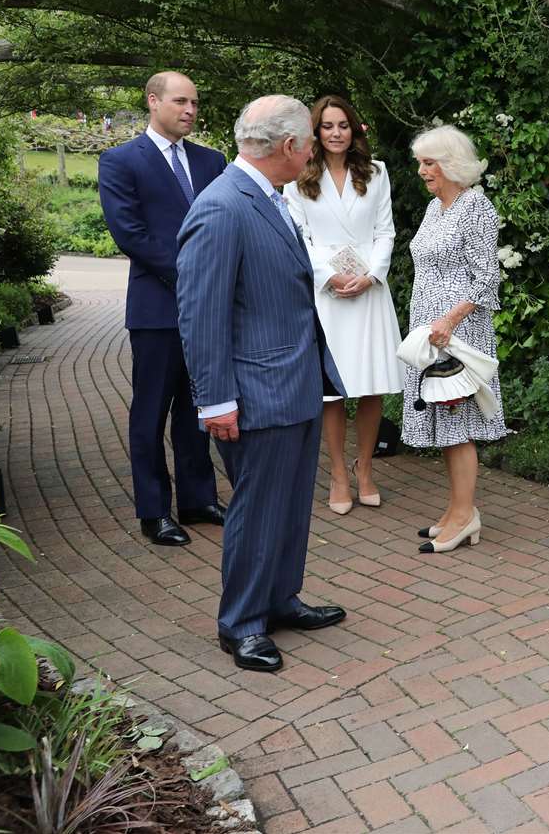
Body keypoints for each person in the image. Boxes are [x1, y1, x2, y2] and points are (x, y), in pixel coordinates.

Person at [176, 95, 348, 673]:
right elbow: (201, 313)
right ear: (291, 147)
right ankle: (242, 624)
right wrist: (215, 400)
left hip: (294, 383)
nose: (312, 153)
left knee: (292, 503)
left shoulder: (268, 196)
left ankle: (280, 599)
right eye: (309, 144)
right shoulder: (223, 206)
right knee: (255, 509)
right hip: (254, 394)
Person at [98, 71, 228, 547]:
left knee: (200, 407)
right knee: (150, 412)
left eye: (195, 101)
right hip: (157, 308)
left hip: (208, 311)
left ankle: (198, 499)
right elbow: (129, 232)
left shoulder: (212, 161)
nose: (190, 109)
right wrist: (192, 276)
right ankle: (154, 511)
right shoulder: (119, 161)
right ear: (153, 102)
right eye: (180, 101)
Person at [284, 96, 405, 515]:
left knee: (371, 386)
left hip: (369, 288)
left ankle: (366, 468)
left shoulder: (376, 173)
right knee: (331, 393)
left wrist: (371, 274)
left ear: (354, 130)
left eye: (343, 125)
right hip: (327, 294)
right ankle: (337, 473)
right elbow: (298, 237)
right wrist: (328, 276)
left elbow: (386, 231)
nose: (336, 133)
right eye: (328, 126)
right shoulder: (298, 178)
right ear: (315, 132)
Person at [403, 126, 506, 554]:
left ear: (452, 164)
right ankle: (455, 510)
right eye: (421, 163)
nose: (423, 171)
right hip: (431, 330)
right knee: (445, 425)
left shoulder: (476, 207)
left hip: (457, 332)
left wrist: (449, 320)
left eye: (430, 163)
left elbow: (486, 280)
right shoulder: (434, 209)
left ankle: (465, 517)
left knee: (458, 423)